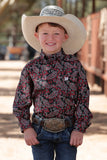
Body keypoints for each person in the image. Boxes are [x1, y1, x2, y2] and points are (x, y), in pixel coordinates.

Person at [13, 5, 93, 160]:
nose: (50, 38)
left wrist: (79, 129)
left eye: (56, 33)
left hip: (68, 132)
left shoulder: (75, 66)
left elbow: (83, 99)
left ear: (65, 36)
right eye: (45, 33)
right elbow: (21, 102)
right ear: (37, 36)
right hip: (40, 132)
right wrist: (27, 128)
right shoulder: (31, 68)